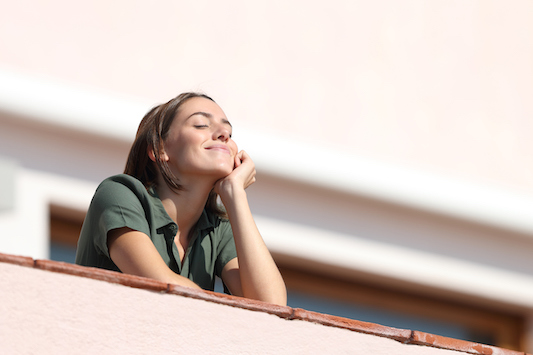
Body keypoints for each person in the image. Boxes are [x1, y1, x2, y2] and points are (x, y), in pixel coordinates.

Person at [75, 92, 287, 306]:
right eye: (201, 125)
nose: (224, 133)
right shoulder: (119, 194)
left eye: (229, 132)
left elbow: (271, 306)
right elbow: (161, 286)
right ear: (159, 149)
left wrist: (235, 195)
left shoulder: (218, 230)